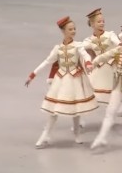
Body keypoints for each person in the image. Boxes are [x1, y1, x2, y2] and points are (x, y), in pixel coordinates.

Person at [25, 16, 98, 148]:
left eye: (74, 28)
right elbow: (47, 61)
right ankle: (45, 135)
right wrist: (33, 74)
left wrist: (88, 63)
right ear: (63, 31)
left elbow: (85, 55)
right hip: (61, 80)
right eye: (70, 29)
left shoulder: (78, 46)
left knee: (76, 109)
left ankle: (77, 133)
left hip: (75, 79)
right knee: (53, 110)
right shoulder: (57, 48)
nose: (73, 31)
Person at [81, 8, 121, 104]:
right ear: (92, 24)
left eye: (103, 21)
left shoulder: (110, 35)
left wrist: (120, 45)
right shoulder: (89, 40)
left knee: (115, 87)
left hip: (111, 66)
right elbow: (80, 48)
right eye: (99, 22)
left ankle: (116, 104)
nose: (102, 23)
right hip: (99, 66)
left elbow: (117, 42)